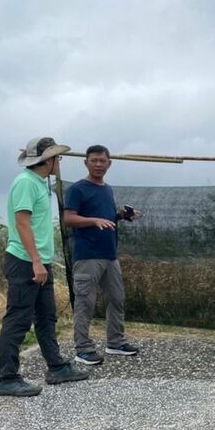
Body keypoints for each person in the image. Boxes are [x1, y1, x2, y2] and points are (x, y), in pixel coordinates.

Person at [0, 137, 89, 397]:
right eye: (57, 158)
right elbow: (22, 223)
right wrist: (36, 261)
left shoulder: (39, 183)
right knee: (18, 319)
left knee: (46, 317)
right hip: (25, 261)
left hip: (39, 261)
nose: (59, 162)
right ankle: (7, 377)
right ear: (47, 160)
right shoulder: (26, 183)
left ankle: (57, 367)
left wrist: (41, 261)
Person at [63, 145, 140, 365]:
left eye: (102, 161)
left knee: (116, 299)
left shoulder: (107, 189)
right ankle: (83, 349)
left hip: (110, 255)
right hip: (87, 255)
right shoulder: (78, 189)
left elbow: (107, 217)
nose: (98, 164)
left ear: (109, 163)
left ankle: (115, 342)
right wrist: (93, 220)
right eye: (94, 160)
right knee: (85, 302)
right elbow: (68, 219)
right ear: (85, 162)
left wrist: (123, 216)